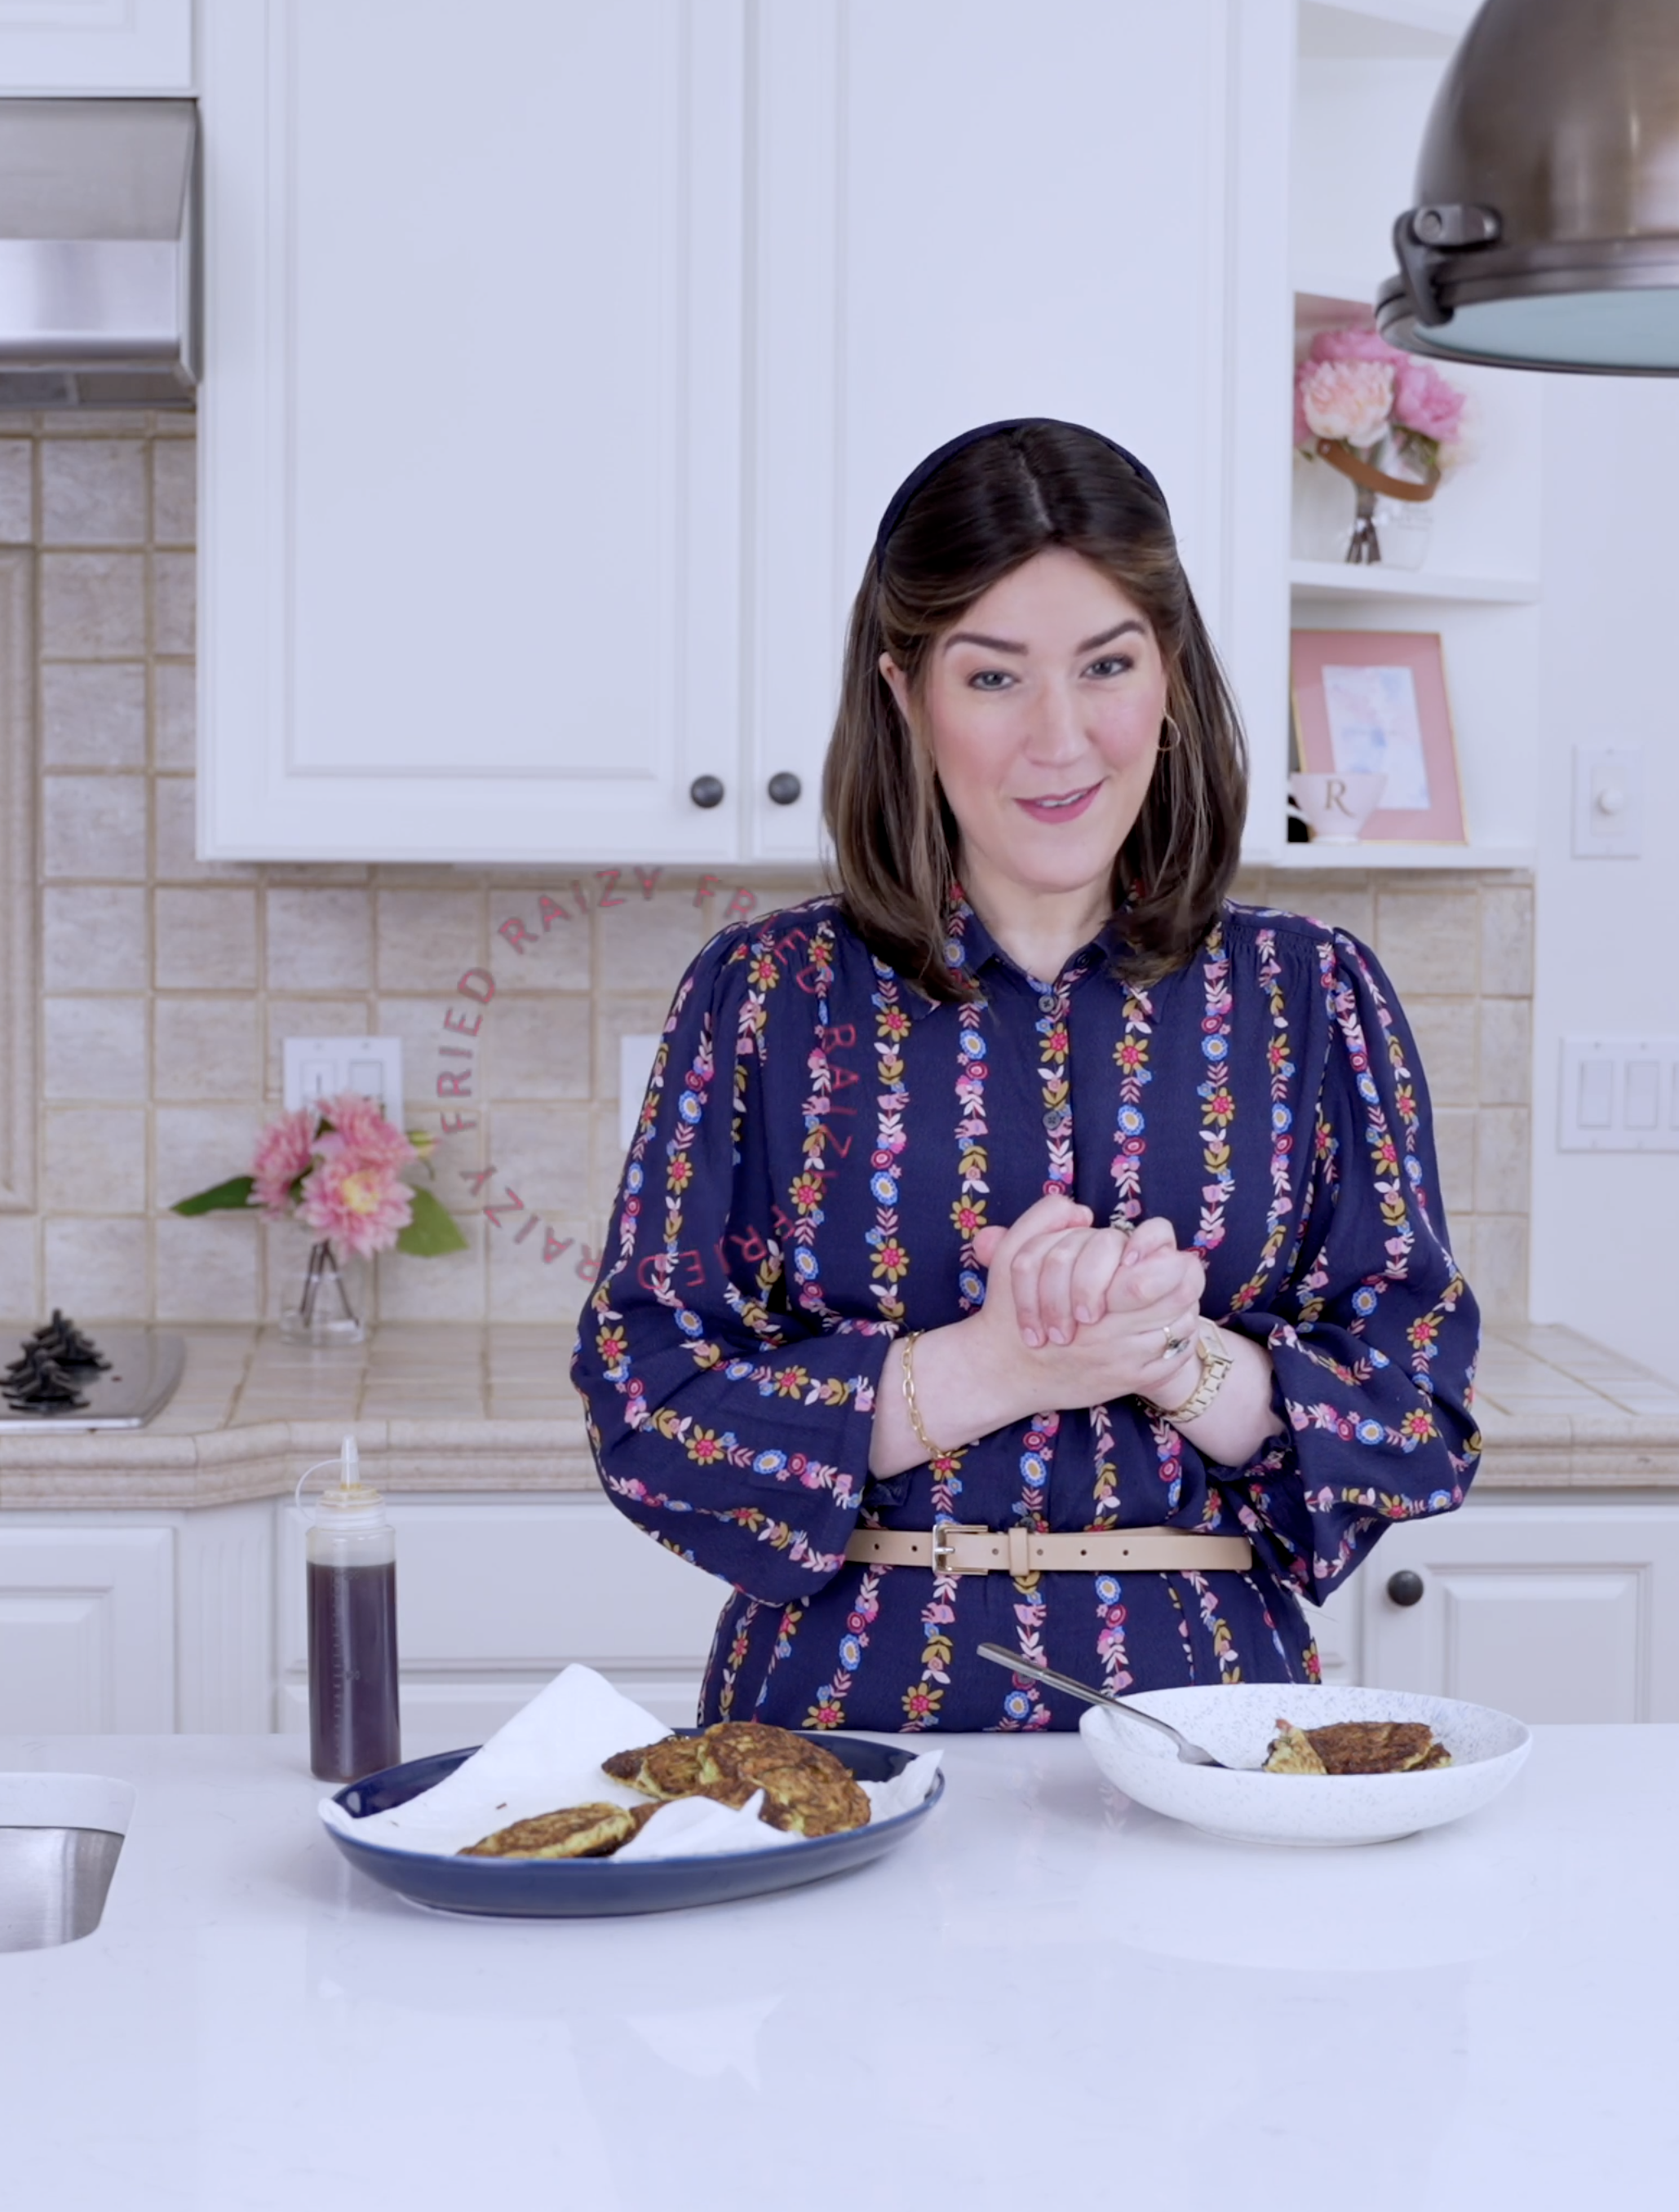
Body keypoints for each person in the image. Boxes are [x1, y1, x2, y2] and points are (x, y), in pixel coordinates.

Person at [572, 417, 1482, 1731]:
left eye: (1105, 665)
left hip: (1208, 1736)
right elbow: (649, 1409)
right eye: (992, 678)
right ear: (904, 692)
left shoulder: (1312, 997)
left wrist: (1169, 1353)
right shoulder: (762, 996)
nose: (1060, 740)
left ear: (1168, 676)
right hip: (837, 1734)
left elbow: (1414, 1419)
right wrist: (998, 1365)